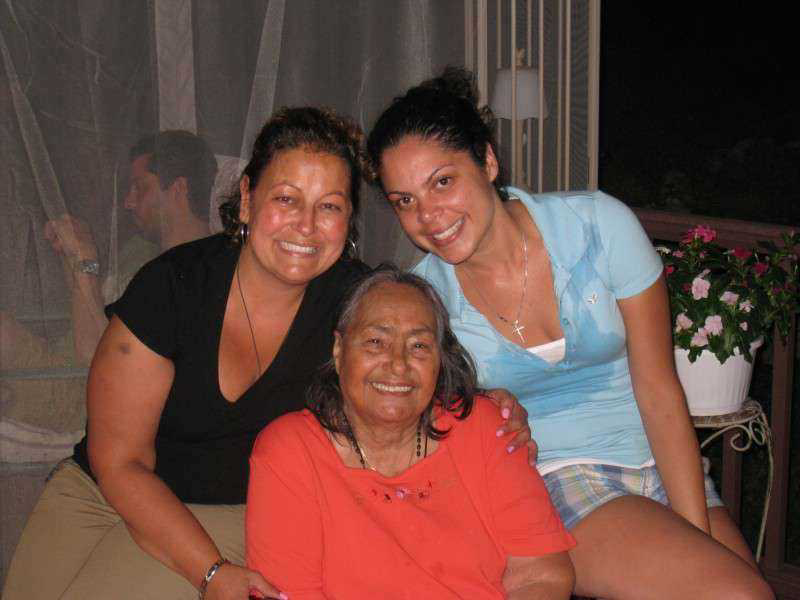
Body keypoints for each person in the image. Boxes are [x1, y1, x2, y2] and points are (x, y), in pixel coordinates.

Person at [366, 67, 775, 600]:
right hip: (558, 479)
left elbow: (658, 389)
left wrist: (694, 531)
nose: (428, 215)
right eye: (404, 200)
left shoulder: (599, 227)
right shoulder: (427, 302)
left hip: (659, 457)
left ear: (487, 161)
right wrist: (480, 403)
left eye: (442, 182)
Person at [3, 107, 367, 600]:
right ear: (247, 199)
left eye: (329, 206)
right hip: (100, 489)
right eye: (286, 199)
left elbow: (422, 373)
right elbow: (119, 461)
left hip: (225, 512)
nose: (306, 225)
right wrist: (212, 575)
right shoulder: (172, 285)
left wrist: (211, 572)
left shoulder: (360, 304)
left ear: (348, 219)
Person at [246, 266, 576, 599]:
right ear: (339, 349)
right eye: (376, 342)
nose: (398, 364)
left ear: (440, 359)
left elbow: (540, 574)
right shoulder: (290, 452)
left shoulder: (485, 427)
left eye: (419, 346)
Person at [1, 130, 216, 437]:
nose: (128, 202)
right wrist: (72, 257)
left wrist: (85, 261)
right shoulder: (138, 252)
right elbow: (88, 314)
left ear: (178, 189)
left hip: (90, 400)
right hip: (59, 369)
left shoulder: (198, 273)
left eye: (140, 187)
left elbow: (99, 361)